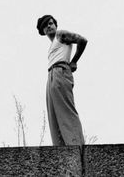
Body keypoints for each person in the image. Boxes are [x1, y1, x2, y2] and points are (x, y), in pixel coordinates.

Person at [37, 15, 87, 148]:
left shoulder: (61, 35)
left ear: (55, 25)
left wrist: (74, 61)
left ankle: (76, 146)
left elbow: (82, 40)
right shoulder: (52, 46)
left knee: (66, 110)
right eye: (45, 25)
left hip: (60, 71)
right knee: (53, 115)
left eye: (51, 23)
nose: (48, 26)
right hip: (51, 75)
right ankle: (60, 149)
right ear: (42, 31)